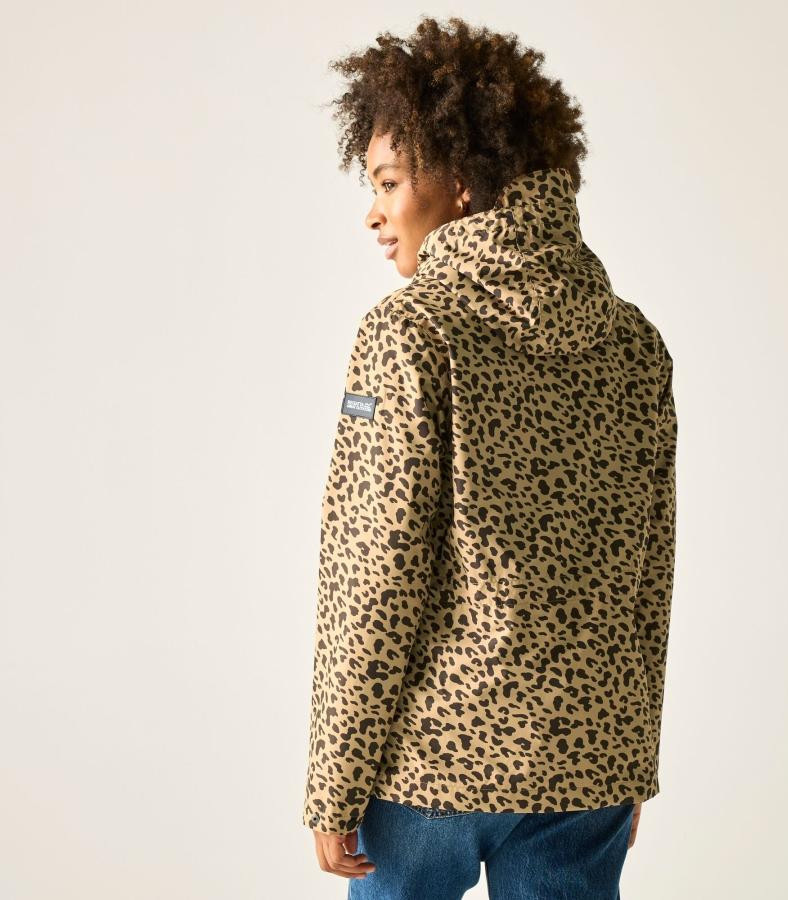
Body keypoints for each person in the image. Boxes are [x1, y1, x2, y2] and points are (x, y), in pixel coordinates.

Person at [302, 16, 677, 900]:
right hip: (587, 764)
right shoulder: (633, 342)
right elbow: (650, 568)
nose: (373, 213)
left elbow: (373, 573)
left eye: (389, 182)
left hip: (431, 765)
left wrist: (333, 781)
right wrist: (630, 758)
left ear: (461, 181)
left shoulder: (409, 334)